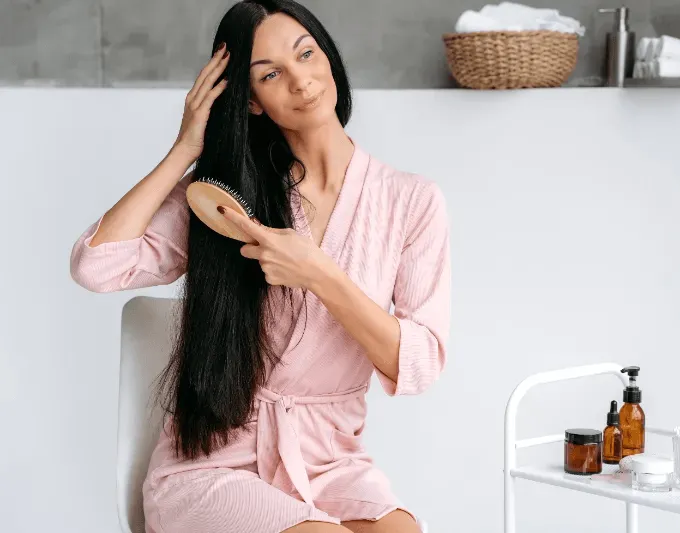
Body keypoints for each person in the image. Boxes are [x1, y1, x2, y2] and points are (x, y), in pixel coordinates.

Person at [69, 1, 450, 532]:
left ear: (329, 57)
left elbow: (421, 363)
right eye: (271, 73)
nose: (301, 81)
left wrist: (319, 272)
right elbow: (97, 264)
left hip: (328, 461)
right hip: (212, 465)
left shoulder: (411, 201)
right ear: (251, 101)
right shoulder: (225, 198)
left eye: (306, 54)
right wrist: (184, 150)